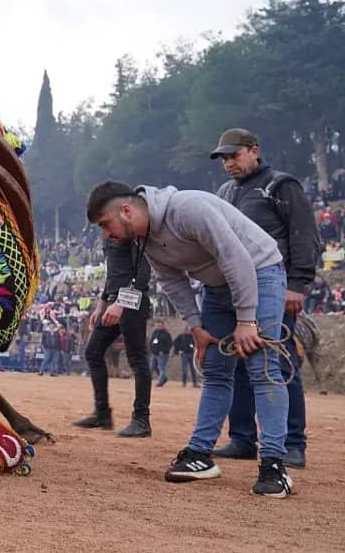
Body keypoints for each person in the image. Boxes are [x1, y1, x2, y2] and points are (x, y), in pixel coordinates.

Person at [86, 180, 292, 498]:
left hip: (259, 272)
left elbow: (235, 258)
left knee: (262, 367)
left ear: (125, 210)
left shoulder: (189, 208)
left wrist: (247, 319)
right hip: (215, 287)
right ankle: (200, 454)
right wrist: (196, 327)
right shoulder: (145, 239)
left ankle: (274, 465)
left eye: (105, 224)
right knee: (214, 368)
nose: (106, 234)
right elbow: (172, 281)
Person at [210, 128, 316, 469]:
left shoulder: (282, 186)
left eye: (234, 155)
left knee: (278, 363)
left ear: (254, 150)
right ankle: (242, 437)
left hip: (275, 284)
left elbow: (303, 236)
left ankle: (292, 443)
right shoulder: (225, 192)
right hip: (234, 289)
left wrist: (297, 285)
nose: (228, 163)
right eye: (224, 158)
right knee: (237, 360)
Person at [73, 237, 153, 437]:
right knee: (93, 352)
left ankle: (141, 420)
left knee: (137, 358)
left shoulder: (133, 233)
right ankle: (102, 413)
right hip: (112, 302)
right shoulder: (109, 234)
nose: (103, 229)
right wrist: (101, 303)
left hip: (133, 302)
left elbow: (142, 273)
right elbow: (113, 274)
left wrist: (121, 303)